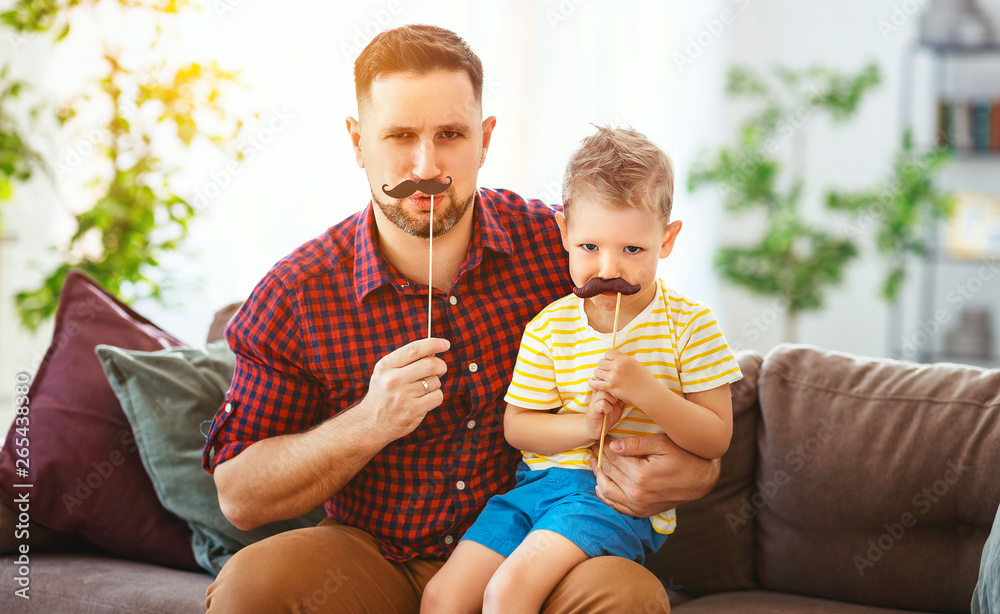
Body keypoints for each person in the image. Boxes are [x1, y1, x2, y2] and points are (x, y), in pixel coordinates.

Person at [202, 24, 720, 613]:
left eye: (450, 134)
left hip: (539, 546)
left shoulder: (569, 250)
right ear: (357, 141)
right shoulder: (299, 293)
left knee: (624, 596)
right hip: (373, 554)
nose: (427, 165)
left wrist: (692, 474)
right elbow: (239, 495)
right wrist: (370, 421)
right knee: (253, 589)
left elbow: (673, 359)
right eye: (399, 135)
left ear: (485, 138)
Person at [420, 126, 742, 613]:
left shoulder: (690, 326)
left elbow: (715, 438)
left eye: (633, 249)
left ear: (667, 239)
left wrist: (646, 391)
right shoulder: (549, 328)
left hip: (605, 498)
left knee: (507, 592)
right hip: (532, 489)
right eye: (589, 247)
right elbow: (518, 427)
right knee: (443, 596)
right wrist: (585, 424)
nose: (608, 267)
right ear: (564, 232)